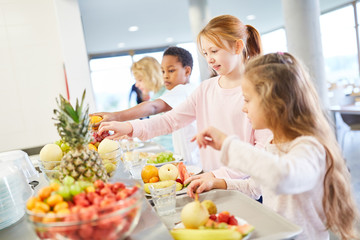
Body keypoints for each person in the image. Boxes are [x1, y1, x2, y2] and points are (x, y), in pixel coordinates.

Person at [98, 15, 271, 199]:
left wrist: (218, 176)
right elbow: (170, 121)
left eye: (214, 51)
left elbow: (262, 151)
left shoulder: (259, 91)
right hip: (208, 183)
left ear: (237, 46)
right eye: (205, 53)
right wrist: (130, 127)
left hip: (245, 190)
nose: (209, 59)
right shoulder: (205, 89)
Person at [193, 52, 359, 239]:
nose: (243, 108)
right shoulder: (273, 143)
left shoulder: (310, 148)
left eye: (247, 100)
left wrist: (228, 144)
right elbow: (255, 188)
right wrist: (218, 183)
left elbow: (282, 177)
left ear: (274, 102)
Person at [93, 47, 199, 165]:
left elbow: (153, 107)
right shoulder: (183, 91)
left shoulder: (183, 90)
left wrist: (116, 116)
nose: (165, 76)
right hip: (186, 158)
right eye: (163, 71)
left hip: (191, 160)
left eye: (171, 71)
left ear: (187, 71)